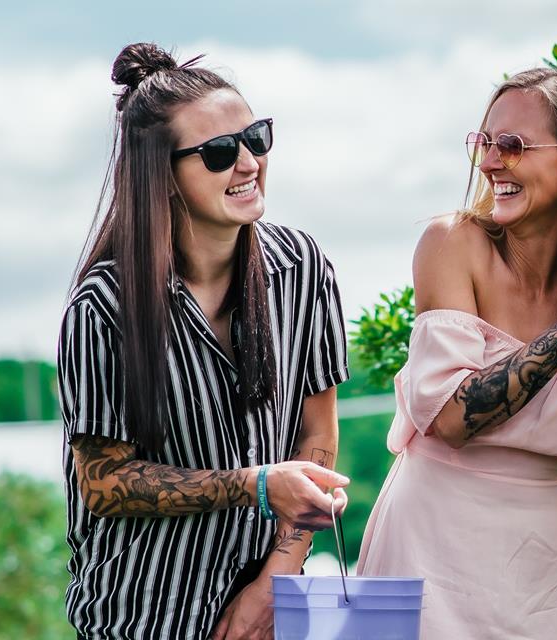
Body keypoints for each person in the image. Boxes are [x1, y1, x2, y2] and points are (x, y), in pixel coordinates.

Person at [356, 68, 557, 639]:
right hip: (431, 544)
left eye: (512, 145)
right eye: (483, 142)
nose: (489, 162)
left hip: (552, 571)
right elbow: (453, 417)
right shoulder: (452, 244)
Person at [57, 42, 350, 640]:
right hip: (140, 614)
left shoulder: (304, 268)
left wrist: (274, 584)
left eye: (256, 138)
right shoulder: (102, 307)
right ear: (162, 177)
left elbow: (316, 436)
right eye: (219, 152)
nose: (247, 163)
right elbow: (102, 483)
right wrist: (255, 484)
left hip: (262, 610)